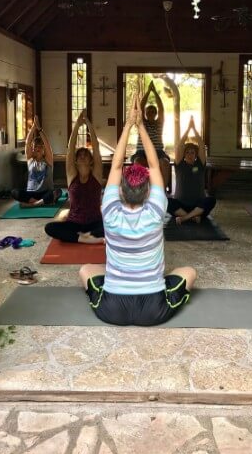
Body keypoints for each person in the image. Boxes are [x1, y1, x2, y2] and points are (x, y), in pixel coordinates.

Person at [79, 94, 197, 326]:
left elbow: (115, 165)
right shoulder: (156, 211)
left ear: (120, 191)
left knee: (86, 270)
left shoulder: (110, 211)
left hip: (113, 309)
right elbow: (154, 165)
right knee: (189, 271)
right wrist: (140, 125)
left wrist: (128, 125)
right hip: (153, 309)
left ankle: (120, 276)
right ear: (148, 192)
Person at [44, 109, 104, 243]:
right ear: (75, 161)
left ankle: (82, 237)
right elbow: (70, 149)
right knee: (49, 228)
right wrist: (77, 125)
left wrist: (88, 124)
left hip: (94, 223)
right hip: (74, 223)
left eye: (85, 155)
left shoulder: (96, 175)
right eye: (80, 156)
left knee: (113, 228)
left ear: (91, 160)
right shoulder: (72, 176)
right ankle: (84, 239)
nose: (82, 157)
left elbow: (96, 147)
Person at [167, 116, 216, 224]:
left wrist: (194, 129)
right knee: (166, 201)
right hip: (181, 205)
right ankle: (194, 217)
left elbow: (202, 146)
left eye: (192, 152)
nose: (190, 154)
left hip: (198, 204)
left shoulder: (200, 164)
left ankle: (185, 218)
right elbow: (180, 146)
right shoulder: (179, 164)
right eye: (187, 152)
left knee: (211, 200)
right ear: (184, 154)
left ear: (196, 155)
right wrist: (188, 129)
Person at [11, 115, 61, 207]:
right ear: (32, 149)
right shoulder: (30, 160)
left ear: (43, 150)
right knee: (14, 192)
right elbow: (27, 143)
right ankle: (38, 202)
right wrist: (33, 127)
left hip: (45, 192)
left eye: (39, 146)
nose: (37, 148)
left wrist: (39, 129)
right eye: (35, 146)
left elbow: (47, 145)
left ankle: (33, 204)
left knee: (58, 191)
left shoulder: (48, 160)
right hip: (31, 193)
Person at [131, 80, 171, 189]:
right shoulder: (142, 124)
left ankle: (162, 190)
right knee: (138, 162)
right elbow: (140, 107)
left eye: (153, 112)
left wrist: (156, 93)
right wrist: (148, 91)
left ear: (156, 114)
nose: (151, 113)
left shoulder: (159, 123)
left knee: (165, 163)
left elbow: (161, 108)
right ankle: (141, 189)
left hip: (158, 152)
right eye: (148, 112)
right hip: (142, 152)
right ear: (145, 113)